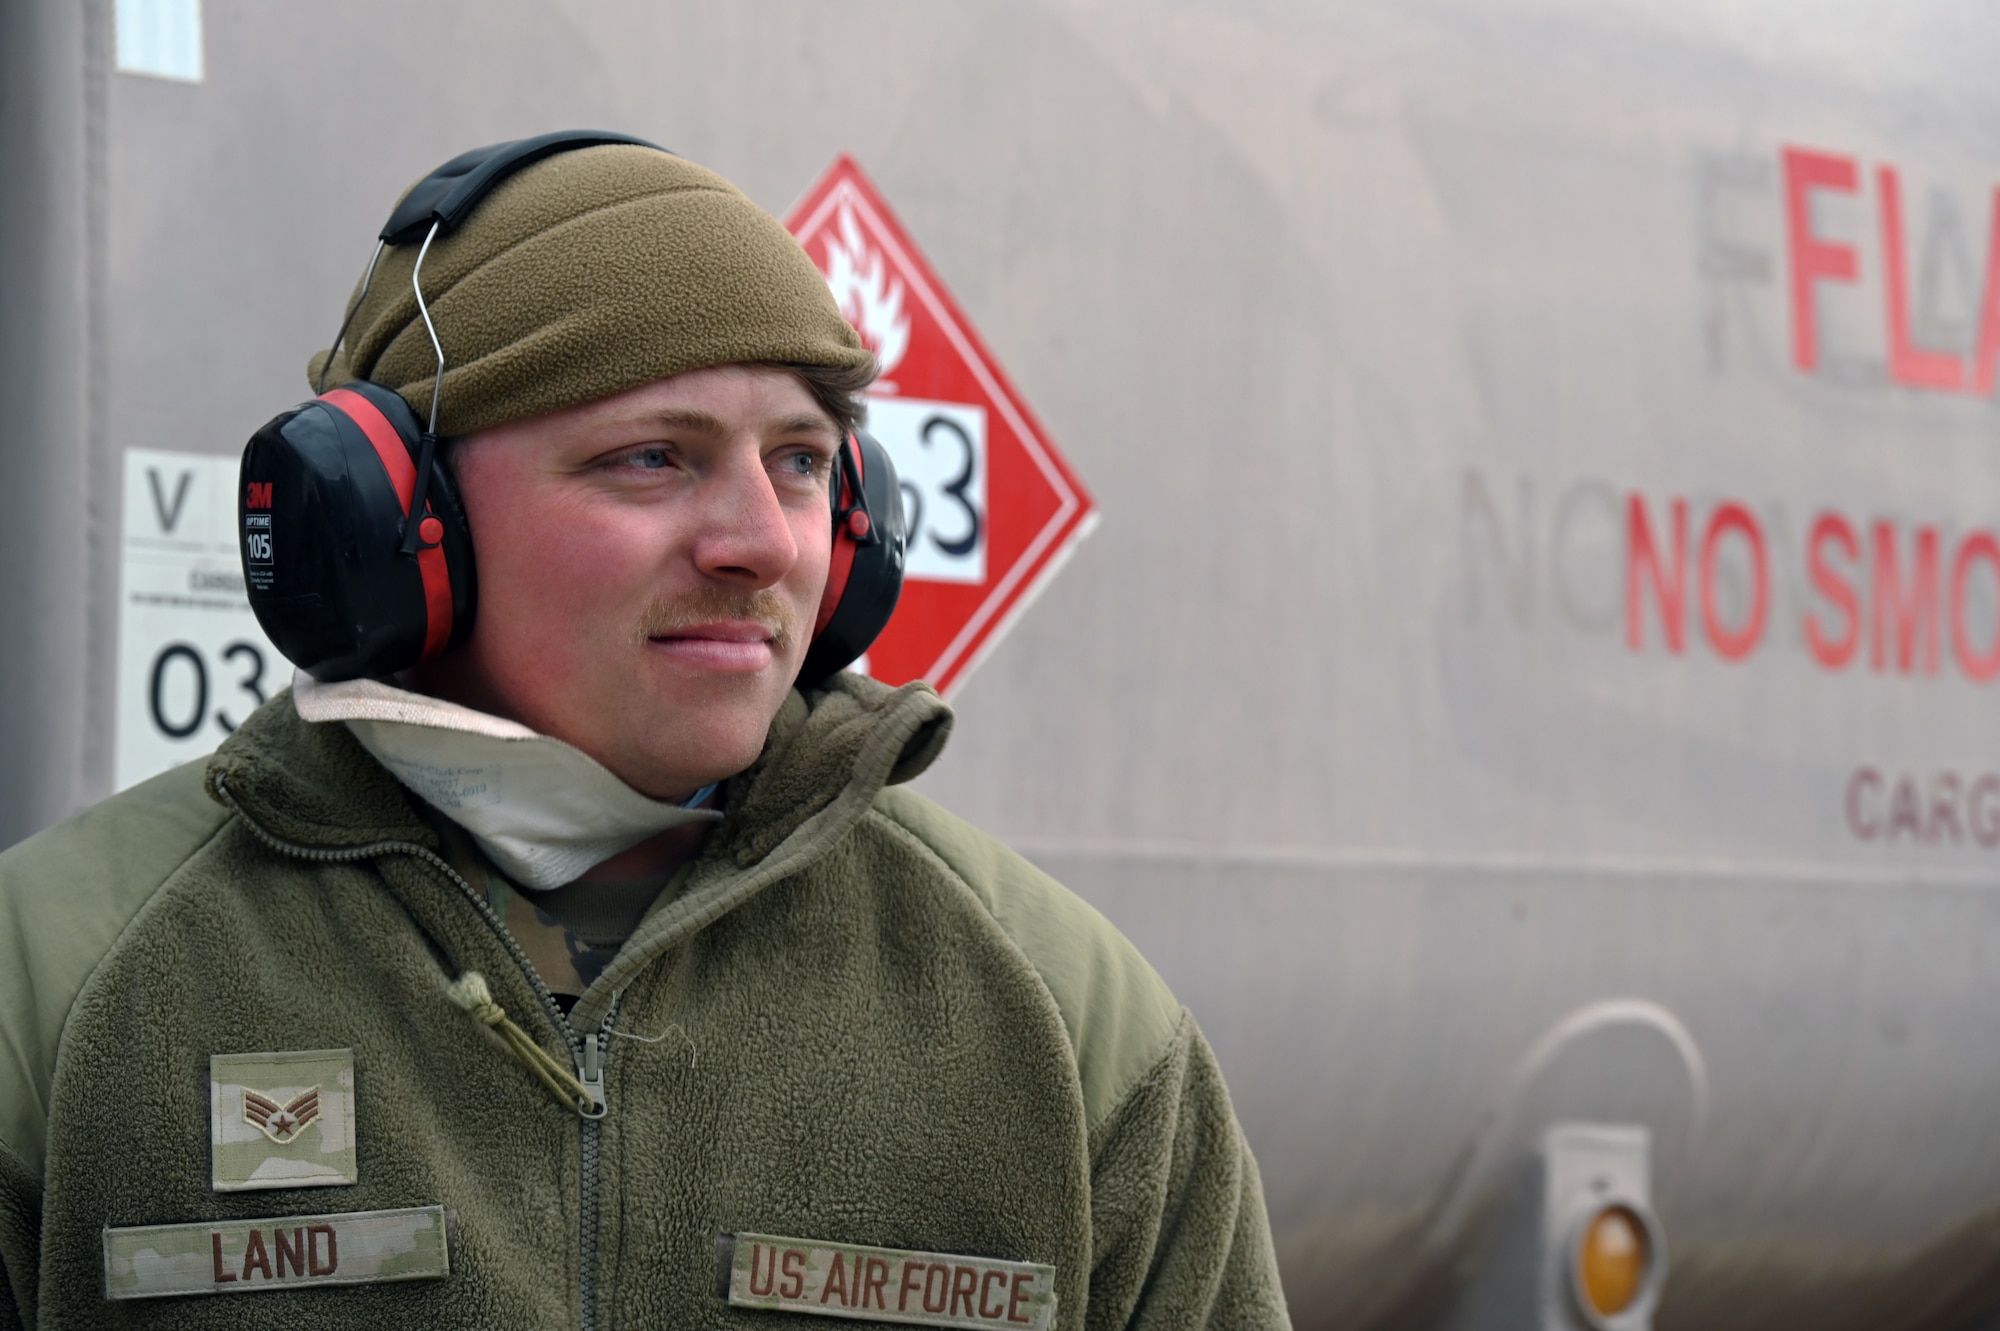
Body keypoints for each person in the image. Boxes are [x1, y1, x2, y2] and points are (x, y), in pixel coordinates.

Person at [0, 136, 1288, 1329]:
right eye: (652, 459)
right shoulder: (57, 989)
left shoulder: (1066, 1025)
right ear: (389, 524)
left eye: (798, 461)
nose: (764, 542)